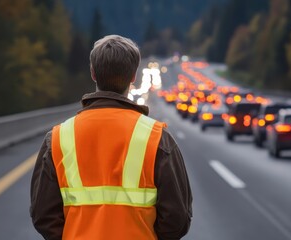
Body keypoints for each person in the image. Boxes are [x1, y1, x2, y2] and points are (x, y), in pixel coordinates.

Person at [30, 35, 192, 240]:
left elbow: (42, 215)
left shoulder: (58, 138)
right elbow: (177, 218)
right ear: (133, 76)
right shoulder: (157, 138)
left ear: (93, 74)